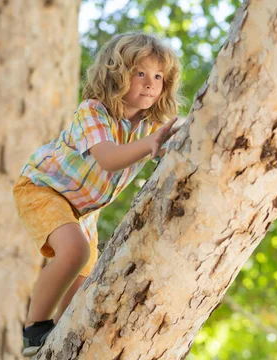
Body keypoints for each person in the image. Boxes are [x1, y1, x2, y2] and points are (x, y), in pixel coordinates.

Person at [12, 32, 185, 357]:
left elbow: (180, 129)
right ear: (115, 74)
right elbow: (107, 158)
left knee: (82, 282)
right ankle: (34, 329)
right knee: (74, 252)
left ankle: (62, 336)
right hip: (44, 188)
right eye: (140, 73)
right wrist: (150, 145)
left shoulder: (151, 124)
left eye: (158, 76)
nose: (150, 83)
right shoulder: (94, 112)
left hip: (84, 210)